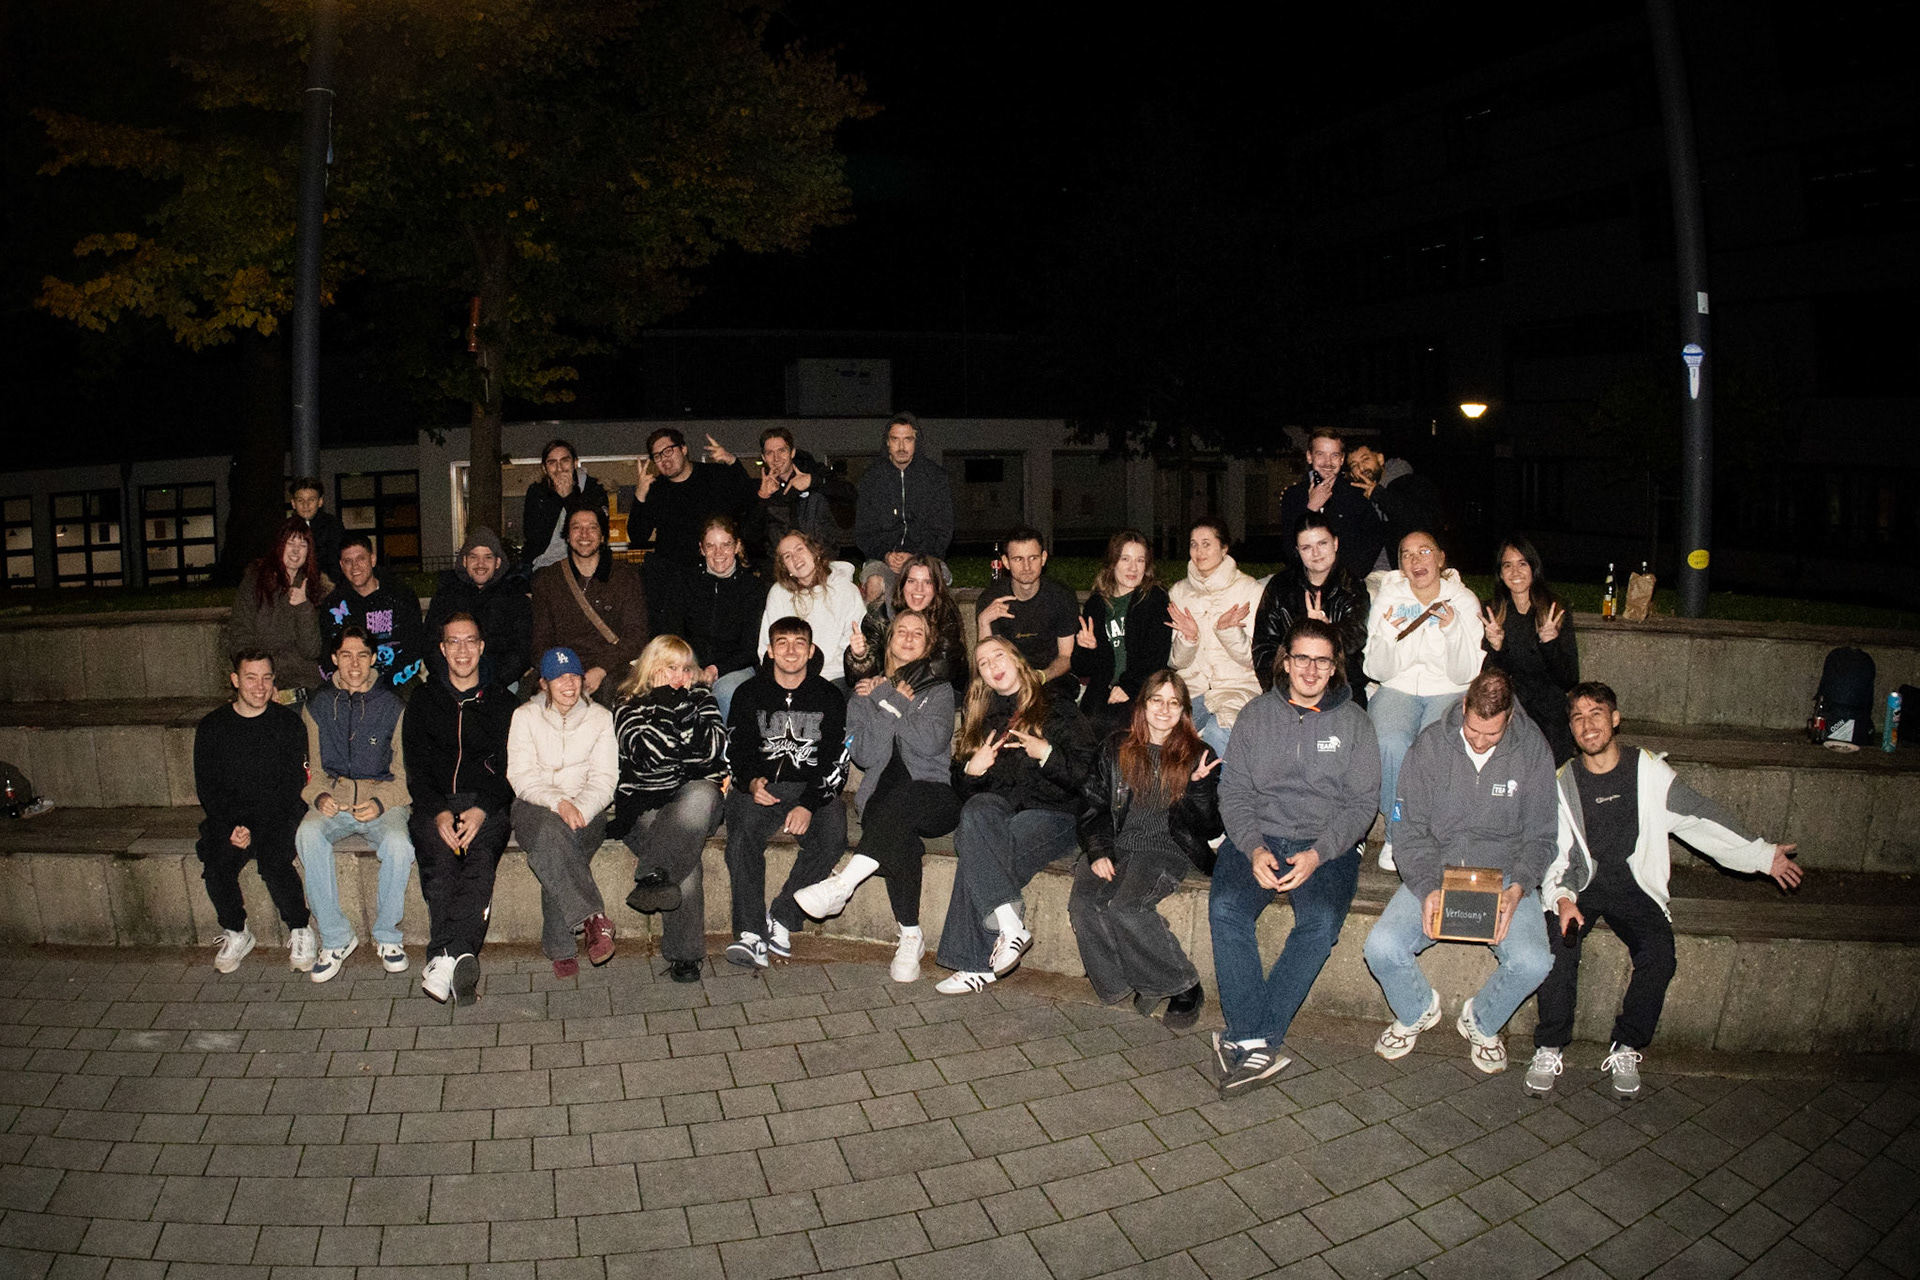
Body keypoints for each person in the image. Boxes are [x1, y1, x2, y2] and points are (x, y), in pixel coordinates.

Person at [1528, 683, 1804, 1098]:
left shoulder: (1649, 772)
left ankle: (1627, 1046)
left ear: (1615, 719)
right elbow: (1558, 854)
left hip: (1636, 885)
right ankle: (1550, 1045)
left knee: (1659, 956)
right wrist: (1563, 899)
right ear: (1571, 728)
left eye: (1596, 713)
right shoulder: (1564, 783)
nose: (1588, 725)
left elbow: (1700, 817)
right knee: (1558, 945)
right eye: (1578, 718)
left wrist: (1762, 855)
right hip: (1583, 885)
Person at [1207, 621, 1380, 1096]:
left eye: (1322, 660)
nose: (1310, 669)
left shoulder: (1355, 723)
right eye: (1301, 658)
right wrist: (1253, 847)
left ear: (1335, 667)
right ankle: (1256, 1040)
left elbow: (1361, 804)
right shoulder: (1256, 715)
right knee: (1226, 908)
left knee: (1320, 922)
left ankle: (1249, 1039)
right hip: (1259, 835)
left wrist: (1319, 853)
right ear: (1285, 662)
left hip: (1326, 843)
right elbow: (1234, 792)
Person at [1362, 669, 1556, 1075]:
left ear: (1510, 717)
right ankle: (1418, 1009)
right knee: (1381, 947)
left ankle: (1481, 1021)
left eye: (1492, 734)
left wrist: (1519, 887)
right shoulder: (1431, 745)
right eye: (1473, 731)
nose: (1480, 742)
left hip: (1504, 875)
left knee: (1534, 961)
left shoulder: (1533, 749)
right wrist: (1428, 887)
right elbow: (1408, 831)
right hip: (1438, 869)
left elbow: (1541, 836)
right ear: (1464, 706)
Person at [795, 609, 959, 982]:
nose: (909, 637)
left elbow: (931, 742)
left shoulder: (938, 690)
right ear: (889, 640)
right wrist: (892, 703)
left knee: (905, 799)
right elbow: (864, 754)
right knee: (899, 838)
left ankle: (842, 884)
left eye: (918, 633)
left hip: (934, 796)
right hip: (879, 803)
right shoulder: (861, 697)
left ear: (928, 645)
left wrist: (886, 696)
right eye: (902, 630)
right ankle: (911, 936)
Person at [935, 637, 1097, 994]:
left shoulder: (1057, 705)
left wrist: (1048, 754)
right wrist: (971, 771)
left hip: (1053, 814)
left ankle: (974, 964)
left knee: (978, 848)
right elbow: (961, 785)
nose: (993, 665)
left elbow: (1088, 776)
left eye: (999, 656)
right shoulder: (982, 715)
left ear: (1018, 660)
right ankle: (1011, 927)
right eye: (983, 663)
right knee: (975, 811)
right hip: (998, 812)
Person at [1072, 670, 1220, 1029]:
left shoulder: (1199, 755)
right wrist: (1099, 850)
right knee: (1084, 905)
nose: (1164, 710)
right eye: (1157, 700)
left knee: (1128, 908)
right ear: (1143, 705)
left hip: (1166, 848)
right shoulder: (1115, 747)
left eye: (1174, 703)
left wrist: (1198, 789)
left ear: (1184, 711)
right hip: (1118, 843)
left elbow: (1210, 828)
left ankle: (1183, 985)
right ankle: (1127, 981)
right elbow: (1093, 804)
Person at [721, 617, 852, 969]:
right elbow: (735, 750)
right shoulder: (748, 693)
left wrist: (809, 803)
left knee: (833, 835)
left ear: (811, 651)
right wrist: (750, 782)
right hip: (760, 786)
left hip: (810, 787)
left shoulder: (829, 697)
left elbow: (837, 759)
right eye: (782, 643)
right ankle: (750, 934)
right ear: (770, 650)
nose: (791, 651)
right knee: (741, 834)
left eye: (799, 643)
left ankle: (782, 916)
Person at [403, 613, 516, 1005]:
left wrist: (482, 808)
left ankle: (442, 959)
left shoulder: (504, 702)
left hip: (486, 805)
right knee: (441, 862)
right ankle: (455, 956)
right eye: (454, 642)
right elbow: (416, 769)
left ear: (481, 647)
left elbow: (512, 769)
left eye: (470, 641)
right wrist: (438, 812)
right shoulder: (423, 700)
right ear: (442, 648)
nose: (462, 650)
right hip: (434, 803)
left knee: (479, 862)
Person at [296, 626, 415, 984]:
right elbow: (313, 772)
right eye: (346, 655)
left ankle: (388, 936)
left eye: (362, 655)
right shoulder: (317, 706)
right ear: (334, 659)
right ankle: (335, 938)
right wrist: (319, 796)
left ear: (373, 658)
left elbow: (405, 776)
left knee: (399, 844)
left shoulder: (393, 706)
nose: (354, 664)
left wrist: (380, 803)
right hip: (335, 799)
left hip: (382, 799)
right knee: (307, 834)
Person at [608, 636, 729, 985]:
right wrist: (665, 706)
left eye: (686, 669)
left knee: (701, 793)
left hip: (696, 805)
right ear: (651, 668)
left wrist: (684, 709)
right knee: (684, 862)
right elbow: (649, 757)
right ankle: (685, 955)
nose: (679, 676)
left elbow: (712, 751)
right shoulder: (628, 703)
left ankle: (652, 875)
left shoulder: (703, 699)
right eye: (670, 668)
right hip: (644, 805)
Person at [1366, 530, 1485, 870]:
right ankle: (1396, 833)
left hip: (1448, 688)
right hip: (1397, 686)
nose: (1416, 560)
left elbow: (1466, 673)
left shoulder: (1464, 601)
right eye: (1407, 554)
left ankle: (1428, 831)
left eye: (1424, 552)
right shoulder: (1389, 597)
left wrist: (1453, 630)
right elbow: (1374, 668)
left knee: (1433, 744)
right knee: (1391, 741)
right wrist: (1388, 636)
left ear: (1441, 558)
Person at [195, 650, 316, 974]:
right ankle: (236, 931)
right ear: (235, 680)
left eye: (266, 678)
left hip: (278, 811)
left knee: (274, 860)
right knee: (216, 860)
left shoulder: (288, 724)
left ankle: (300, 928)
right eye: (251, 678)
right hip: (231, 815)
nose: (259, 687)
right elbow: (208, 787)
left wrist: (256, 828)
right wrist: (231, 827)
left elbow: (291, 787)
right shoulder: (212, 727)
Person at [509, 647, 620, 978]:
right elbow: (521, 776)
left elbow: (605, 779)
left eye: (574, 676)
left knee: (554, 847)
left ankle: (560, 946)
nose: (569, 684)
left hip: (588, 810)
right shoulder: (525, 717)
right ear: (544, 683)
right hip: (534, 806)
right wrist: (559, 803)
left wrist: (580, 808)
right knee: (550, 831)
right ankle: (593, 919)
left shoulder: (600, 718)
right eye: (559, 678)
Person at [622, 427, 757, 632]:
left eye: (668, 451)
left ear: (683, 449)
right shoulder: (656, 489)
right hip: (672, 584)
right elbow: (637, 536)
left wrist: (733, 462)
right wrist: (640, 495)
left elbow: (749, 502)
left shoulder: (713, 475)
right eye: (657, 456)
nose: (664, 459)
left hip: (713, 577)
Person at [529, 505, 649, 706]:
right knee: (533, 699)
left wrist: (602, 669)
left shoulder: (625, 577)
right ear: (567, 536)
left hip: (612, 668)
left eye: (592, 527)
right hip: (563, 667)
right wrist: (561, 672)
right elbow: (541, 640)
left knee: (615, 692)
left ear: (602, 536)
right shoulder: (547, 580)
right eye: (576, 527)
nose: (584, 534)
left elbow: (636, 635)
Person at [1166, 518, 1264, 756]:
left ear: (1224, 548)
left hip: (1237, 688)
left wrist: (1228, 631)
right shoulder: (1178, 592)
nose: (1199, 551)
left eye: (1207, 544)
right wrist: (1189, 639)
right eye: (1194, 544)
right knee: (1168, 733)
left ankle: (1225, 783)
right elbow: (1176, 663)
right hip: (1192, 690)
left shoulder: (1250, 589)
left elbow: (1256, 659)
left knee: (1217, 732)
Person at [657, 515, 768, 724]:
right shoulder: (684, 582)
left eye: (726, 544)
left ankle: (722, 744)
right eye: (711, 546)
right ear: (702, 549)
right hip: (686, 664)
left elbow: (750, 647)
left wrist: (715, 669)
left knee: (727, 693)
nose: (718, 553)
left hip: (733, 668)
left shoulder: (753, 588)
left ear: (737, 546)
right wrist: (687, 668)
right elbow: (671, 632)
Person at [1251, 513, 1368, 704]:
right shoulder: (1280, 587)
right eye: (1307, 547)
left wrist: (1327, 632)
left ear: (1335, 543)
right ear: (1298, 551)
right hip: (1288, 686)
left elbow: (1357, 636)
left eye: (1322, 543)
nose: (1316, 553)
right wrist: (1288, 688)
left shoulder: (1352, 587)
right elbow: (1263, 648)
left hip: (1341, 686)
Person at [1482, 537, 1579, 765]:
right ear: (1501, 573)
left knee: (1552, 764)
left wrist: (1550, 644)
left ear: (1533, 568)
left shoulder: (1554, 609)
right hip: (1512, 709)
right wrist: (1496, 647)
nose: (1515, 572)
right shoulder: (1494, 612)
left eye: (1522, 564)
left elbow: (1569, 678)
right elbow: (1490, 679)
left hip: (1550, 710)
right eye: (1508, 565)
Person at [1070, 529, 1173, 738]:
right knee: (1082, 727)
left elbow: (1157, 656)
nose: (1133, 568)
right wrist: (1086, 647)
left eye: (1140, 560)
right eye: (1125, 559)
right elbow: (1081, 666)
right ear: (1113, 562)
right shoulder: (1096, 604)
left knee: (1115, 728)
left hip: (1142, 687)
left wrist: (1128, 687)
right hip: (1104, 688)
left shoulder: (1155, 599)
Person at [853, 412, 955, 603]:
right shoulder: (872, 479)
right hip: (883, 559)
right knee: (874, 584)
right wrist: (886, 555)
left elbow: (943, 531)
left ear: (916, 442)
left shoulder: (935, 478)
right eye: (895, 439)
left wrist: (915, 557)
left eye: (907, 439)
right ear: (887, 443)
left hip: (926, 557)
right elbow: (863, 533)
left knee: (928, 583)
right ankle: (876, 624)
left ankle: (929, 623)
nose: (901, 447)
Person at [424, 526, 533, 689]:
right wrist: (453, 681)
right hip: (450, 682)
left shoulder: (515, 600)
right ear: (464, 561)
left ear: (498, 562)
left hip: (500, 685)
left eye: (488, 557)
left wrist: (492, 684)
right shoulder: (445, 597)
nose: (480, 564)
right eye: (473, 557)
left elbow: (521, 651)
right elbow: (431, 644)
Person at [229, 517, 327, 698]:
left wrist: (303, 606)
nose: (296, 551)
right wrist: (262, 681)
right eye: (290, 543)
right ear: (280, 545)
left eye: (303, 545)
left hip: (303, 682)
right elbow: (240, 634)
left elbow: (311, 650)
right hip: (262, 679)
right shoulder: (255, 581)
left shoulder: (314, 587)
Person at [845, 554, 969, 695]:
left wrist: (892, 682)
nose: (919, 589)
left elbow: (941, 666)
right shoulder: (881, 614)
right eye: (911, 581)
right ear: (902, 584)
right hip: (887, 688)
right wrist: (860, 657)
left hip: (937, 690)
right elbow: (861, 679)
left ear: (936, 587)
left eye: (927, 582)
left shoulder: (945, 614)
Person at [758, 531, 866, 689]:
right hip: (787, 676)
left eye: (799, 549)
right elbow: (767, 646)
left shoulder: (846, 590)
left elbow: (851, 647)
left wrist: (814, 678)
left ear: (814, 552)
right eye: (787, 556)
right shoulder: (778, 593)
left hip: (833, 677)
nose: (795, 558)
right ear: (785, 567)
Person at [319, 534, 427, 688]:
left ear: (373, 559)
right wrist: (343, 682)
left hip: (395, 683)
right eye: (348, 561)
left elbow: (415, 647)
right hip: (349, 684)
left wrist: (383, 684)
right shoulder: (333, 605)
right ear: (341, 565)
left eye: (360, 559)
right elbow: (325, 654)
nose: (354, 566)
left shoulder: (401, 597)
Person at [1276, 427, 1384, 580]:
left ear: (1342, 459)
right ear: (1309, 457)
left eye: (1334, 455)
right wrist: (1311, 508)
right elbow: (1289, 547)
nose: (1328, 462)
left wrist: (1350, 576)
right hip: (1304, 581)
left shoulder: (1357, 494)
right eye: (1321, 454)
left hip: (1346, 581)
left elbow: (1373, 539)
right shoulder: (1293, 495)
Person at [976, 526, 1079, 683]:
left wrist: (1041, 677)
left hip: (1051, 678)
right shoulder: (991, 599)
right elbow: (987, 660)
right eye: (1018, 559)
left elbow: (1066, 656)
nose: (1026, 567)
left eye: (1033, 558)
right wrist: (983, 621)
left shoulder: (1061, 596)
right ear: (1006, 562)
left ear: (1043, 558)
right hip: (1007, 679)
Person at [750, 425, 856, 560]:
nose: (776, 458)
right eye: (770, 453)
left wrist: (813, 481)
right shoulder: (759, 488)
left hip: (822, 561)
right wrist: (763, 498)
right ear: (764, 458)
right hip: (782, 566)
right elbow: (750, 536)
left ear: (792, 452)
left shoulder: (814, 472)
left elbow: (850, 494)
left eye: (782, 450)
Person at [521, 438, 608, 572]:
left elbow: (600, 529)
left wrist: (568, 497)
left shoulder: (593, 490)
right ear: (544, 468)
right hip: (543, 566)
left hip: (585, 564)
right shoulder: (536, 493)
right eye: (552, 463)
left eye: (565, 461)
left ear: (575, 463)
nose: (559, 468)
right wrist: (557, 499)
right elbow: (534, 537)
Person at [1348, 446, 1445, 562]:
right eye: (1354, 465)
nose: (1361, 467)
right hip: (1374, 570)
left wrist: (1380, 495)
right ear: (1352, 474)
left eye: (1365, 459)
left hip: (1414, 564)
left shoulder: (1411, 483)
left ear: (1380, 459)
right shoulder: (1353, 499)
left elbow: (1426, 522)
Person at [289, 477, 344, 586]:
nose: (306, 505)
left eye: (311, 500)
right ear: (293, 503)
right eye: (300, 500)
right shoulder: (287, 528)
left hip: (328, 584)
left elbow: (336, 561)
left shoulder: (332, 525)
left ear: (320, 502)